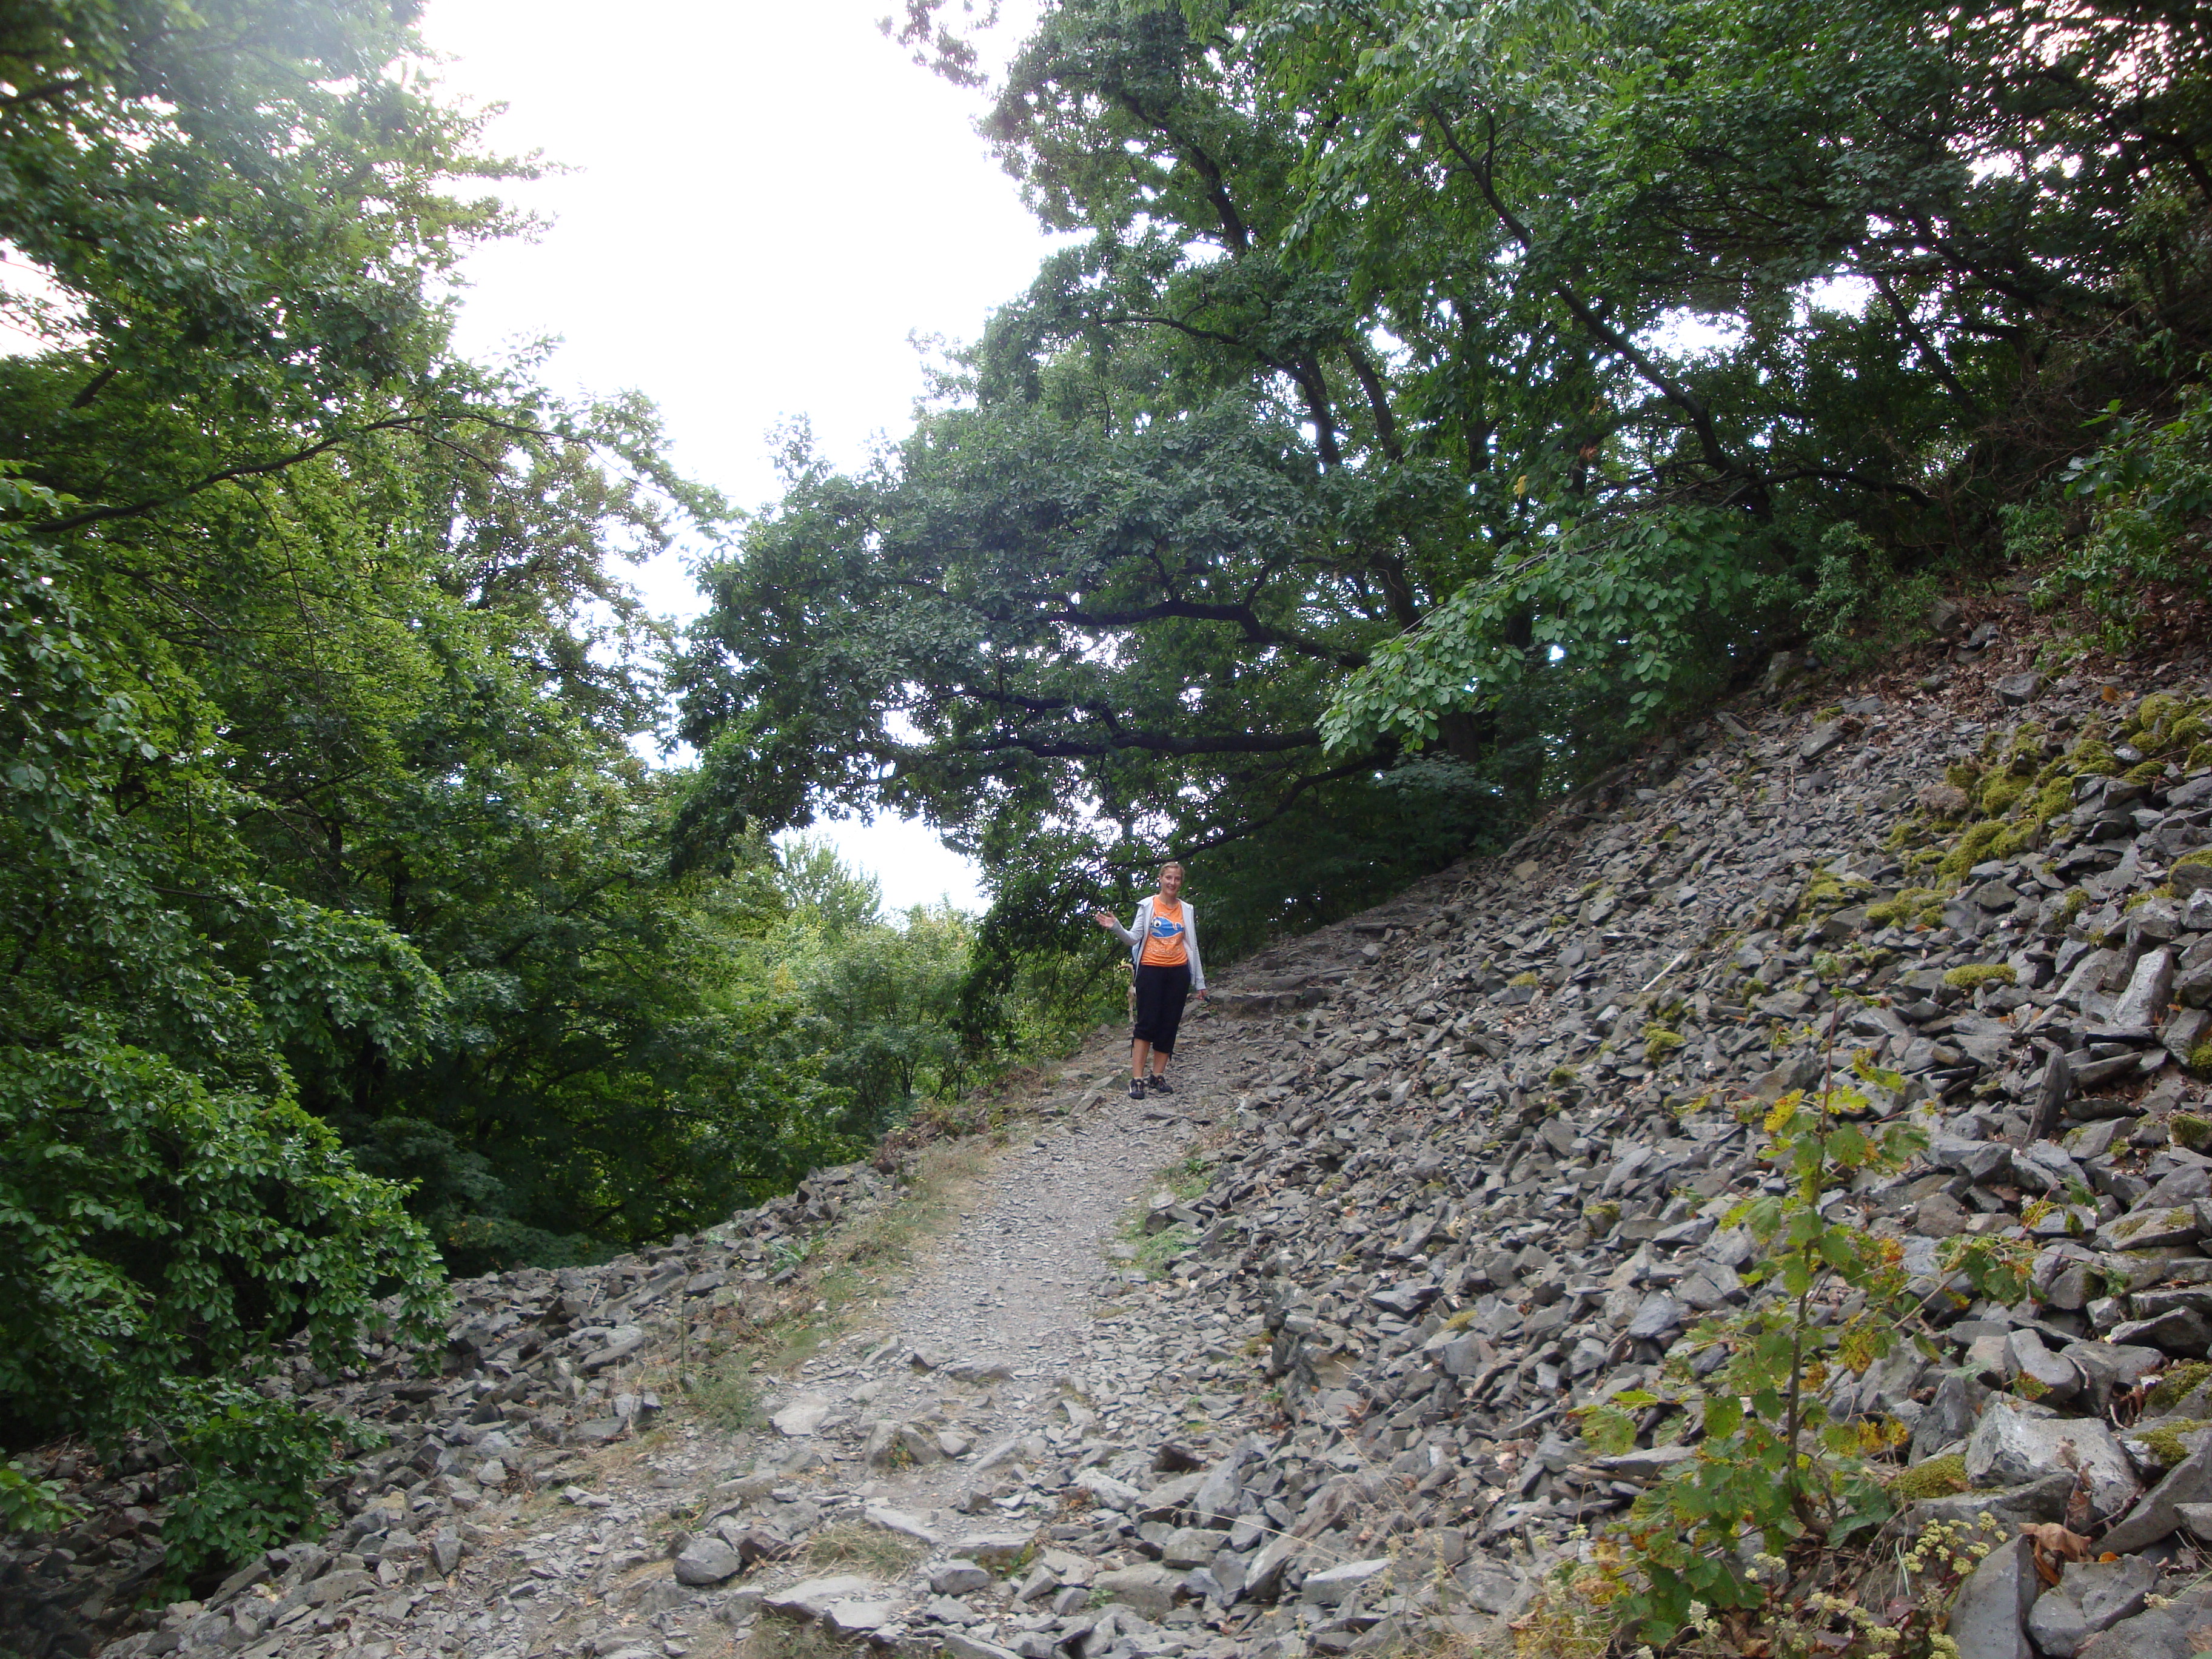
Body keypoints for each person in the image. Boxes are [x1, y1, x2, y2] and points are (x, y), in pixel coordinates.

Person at [1093, 862, 1207, 1101]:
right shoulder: (1148, 905)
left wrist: (1200, 982)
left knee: (1169, 1024)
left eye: (1177, 879)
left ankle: (1158, 1075)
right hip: (1151, 970)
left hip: (1178, 972)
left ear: (1181, 882)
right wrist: (1116, 927)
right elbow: (1133, 939)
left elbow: (1192, 946)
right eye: (1168, 878)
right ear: (1160, 879)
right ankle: (1137, 1079)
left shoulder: (1186, 909)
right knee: (1147, 1023)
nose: (1172, 883)